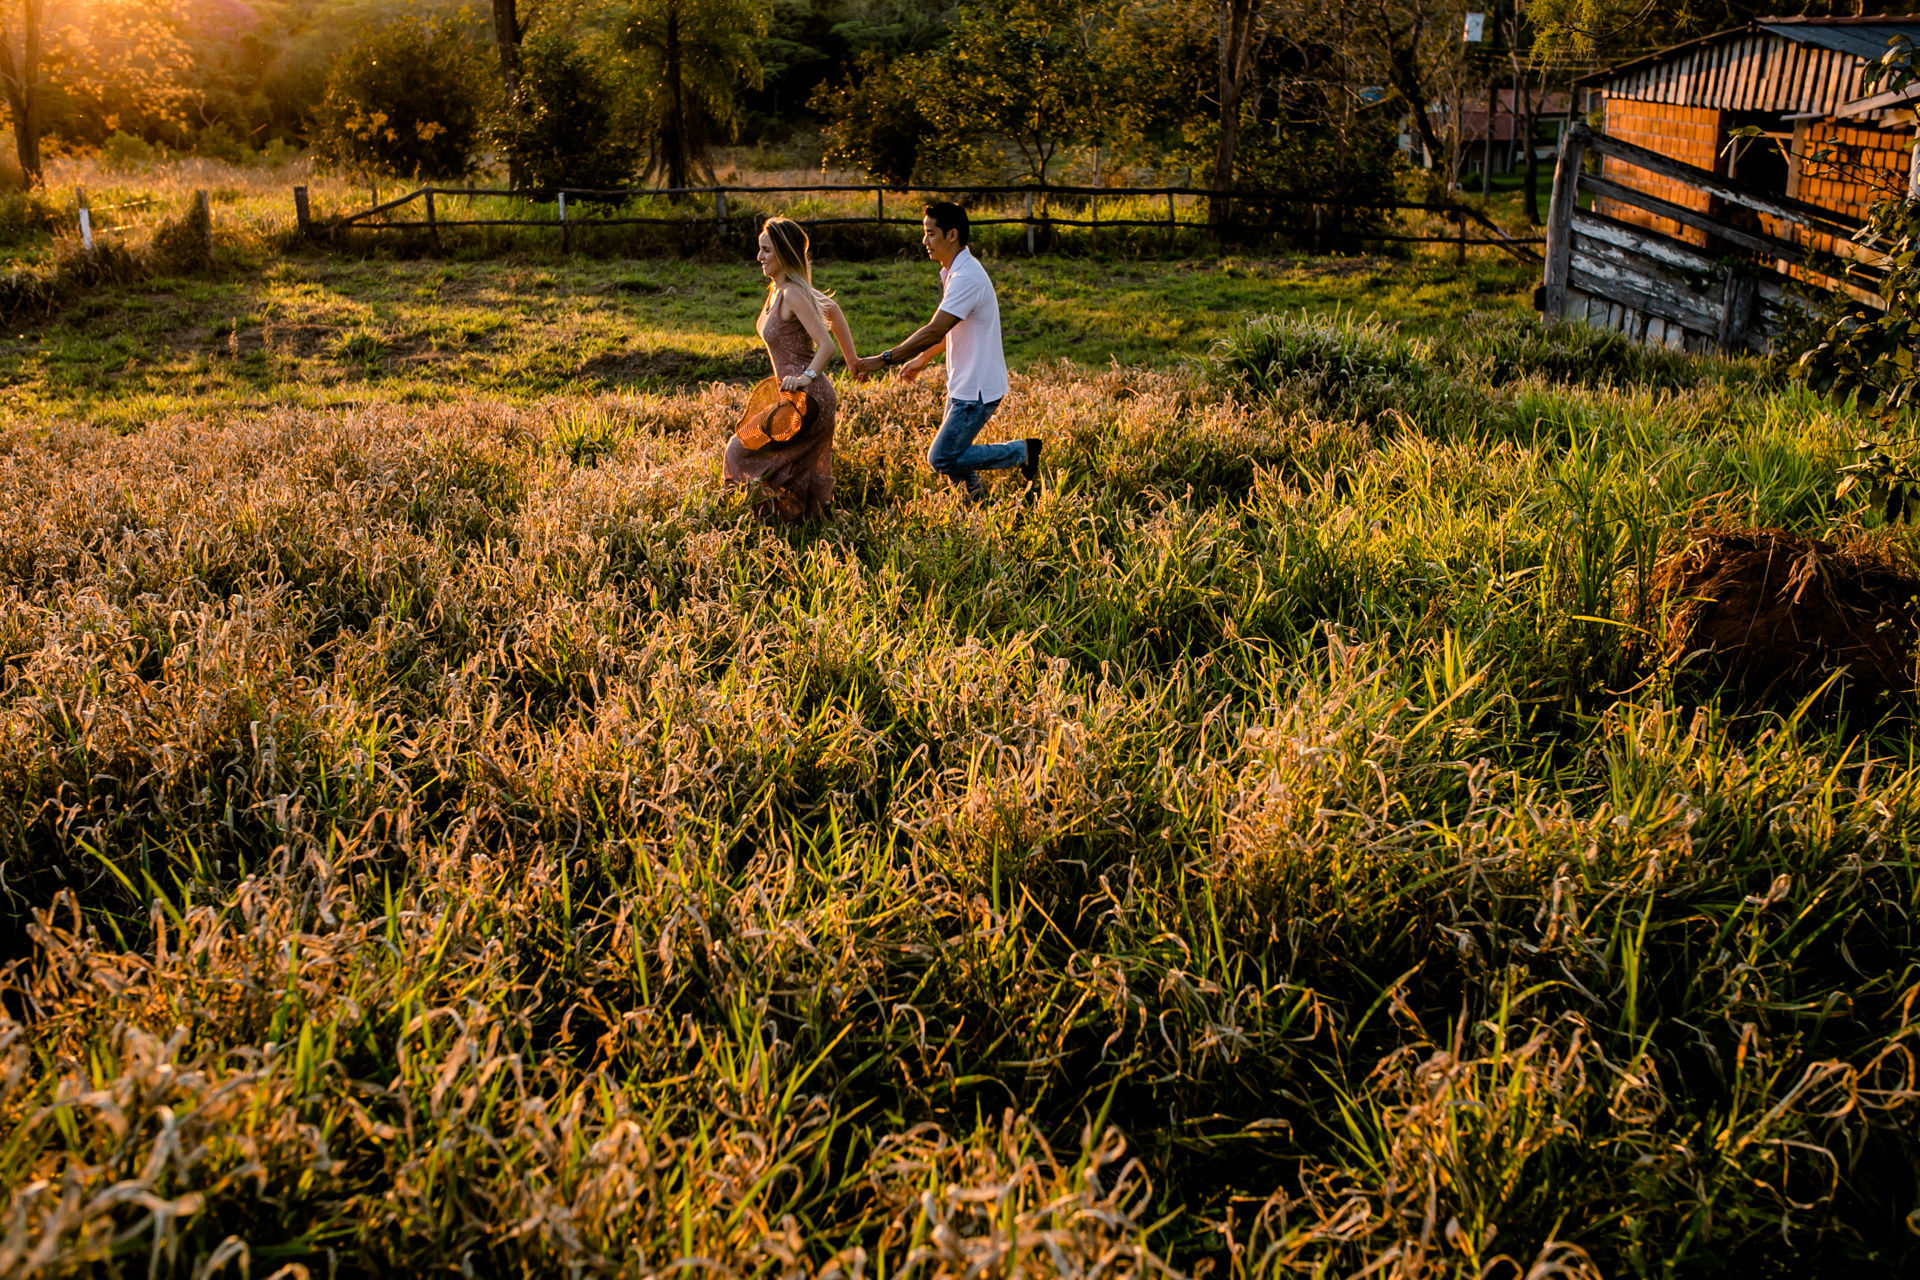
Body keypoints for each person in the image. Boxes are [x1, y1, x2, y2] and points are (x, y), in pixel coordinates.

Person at [853, 202, 1040, 502]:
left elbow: (935, 329)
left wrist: (884, 359)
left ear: (951, 235)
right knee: (954, 456)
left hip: (976, 390)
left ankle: (1022, 452)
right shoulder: (954, 272)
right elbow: (950, 329)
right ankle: (976, 504)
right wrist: (922, 360)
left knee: (942, 457)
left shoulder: (966, 278)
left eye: (930, 233)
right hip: (963, 383)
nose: (924, 240)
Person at [724, 216, 860, 523]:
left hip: (807, 398)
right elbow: (832, 309)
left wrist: (805, 377)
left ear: (784, 253)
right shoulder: (780, 289)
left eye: (766, 250)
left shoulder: (792, 294)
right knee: (786, 461)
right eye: (760, 249)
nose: (759, 257)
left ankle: (752, 518)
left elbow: (826, 345)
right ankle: (791, 523)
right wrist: (852, 361)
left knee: (738, 449)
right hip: (791, 395)